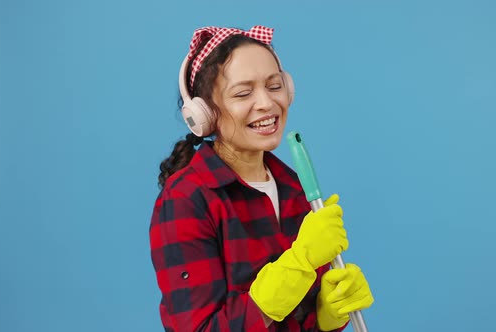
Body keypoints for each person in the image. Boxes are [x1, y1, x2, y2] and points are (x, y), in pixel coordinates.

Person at [149, 25, 374, 332]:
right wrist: (300, 262)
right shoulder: (186, 200)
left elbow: (296, 322)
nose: (267, 103)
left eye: (274, 86)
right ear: (203, 114)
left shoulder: (295, 189)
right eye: (243, 93)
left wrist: (326, 316)